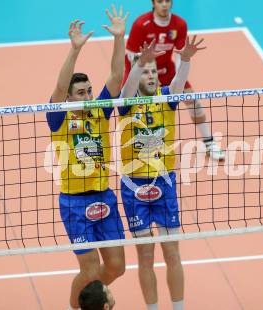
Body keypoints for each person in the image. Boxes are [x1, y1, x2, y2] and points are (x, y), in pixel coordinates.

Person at [46, 6, 128, 310]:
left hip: (104, 196)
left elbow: (117, 76)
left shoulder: (99, 111)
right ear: (69, 97)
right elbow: (57, 87)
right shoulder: (58, 117)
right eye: (81, 92)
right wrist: (75, 49)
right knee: (91, 270)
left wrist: (120, 37)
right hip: (74, 202)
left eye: (89, 90)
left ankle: (92, 300)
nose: (88, 95)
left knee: (117, 267)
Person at [118, 35, 205, 310]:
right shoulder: (126, 102)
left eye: (154, 70)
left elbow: (178, 84)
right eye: (146, 72)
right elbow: (127, 90)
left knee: (172, 250)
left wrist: (186, 60)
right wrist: (137, 64)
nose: (152, 75)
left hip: (164, 183)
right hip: (134, 186)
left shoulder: (166, 98)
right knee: (145, 254)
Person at [123, 0, 225, 160]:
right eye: (160, 1)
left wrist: (179, 80)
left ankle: (209, 143)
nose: (164, 4)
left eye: (167, 1)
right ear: (153, 3)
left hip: (168, 72)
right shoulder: (141, 24)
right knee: (129, 109)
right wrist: (143, 76)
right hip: (144, 73)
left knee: (193, 101)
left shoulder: (179, 24)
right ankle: (135, 148)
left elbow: (179, 54)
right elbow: (129, 55)